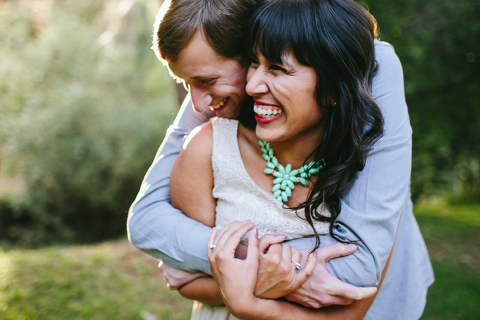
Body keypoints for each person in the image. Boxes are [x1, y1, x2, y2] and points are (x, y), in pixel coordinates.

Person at [127, 0, 434, 318]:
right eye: (185, 83)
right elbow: (146, 221)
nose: (198, 104)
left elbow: (360, 268)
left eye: (207, 80)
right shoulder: (210, 131)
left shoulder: (368, 65)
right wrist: (262, 276)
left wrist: (238, 275)